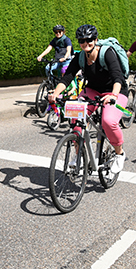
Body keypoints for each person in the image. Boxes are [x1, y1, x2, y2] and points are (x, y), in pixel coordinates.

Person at [48, 24, 127, 173]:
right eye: (82, 41)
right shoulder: (80, 57)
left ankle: (119, 154)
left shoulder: (107, 53)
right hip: (93, 90)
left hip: (116, 90)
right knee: (75, 117)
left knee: (108, 121)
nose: (86, 43)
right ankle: (79, 155)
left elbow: (118, 77)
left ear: (95, 39)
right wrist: (55, 94)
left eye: (89, 40)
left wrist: (113, 95)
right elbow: (67, 78)